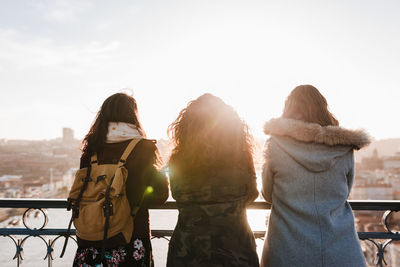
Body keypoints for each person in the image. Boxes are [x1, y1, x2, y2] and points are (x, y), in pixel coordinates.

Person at [260, 85, 370, 267]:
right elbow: (346, 192)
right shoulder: (344, 148)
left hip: (287, 253)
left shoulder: (275, 145)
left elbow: (267, 193)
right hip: (341, 253)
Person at [73, 93, 169, 267]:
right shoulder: (143, 148)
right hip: (130, 238)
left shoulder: (92, 148)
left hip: (92, 240)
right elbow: (160, 194)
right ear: (133, 116)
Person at [166, 93, 260, 267]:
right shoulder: (241, 158)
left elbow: (177, 192)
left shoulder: (178, 160)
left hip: (188, 251)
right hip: (236, 251)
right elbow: (252, 193)